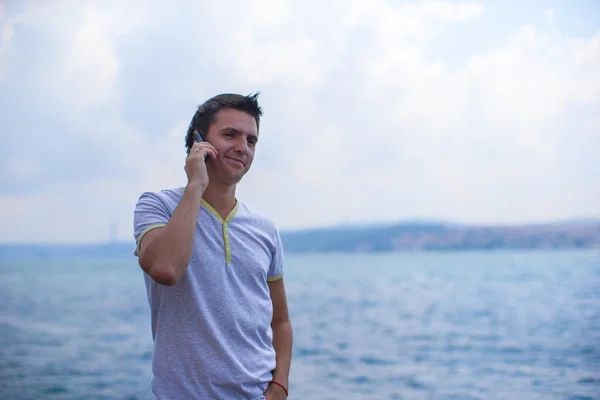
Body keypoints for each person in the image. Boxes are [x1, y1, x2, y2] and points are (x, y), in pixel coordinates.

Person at [132, 92, 292, 399]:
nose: (242, 147)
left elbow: (280, 321)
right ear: (198, 142)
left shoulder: (265, 228)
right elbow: (166, 268)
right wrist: (196, 185)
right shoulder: (157, 206)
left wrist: (279, 388)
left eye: (251, 140)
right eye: (230, 134)